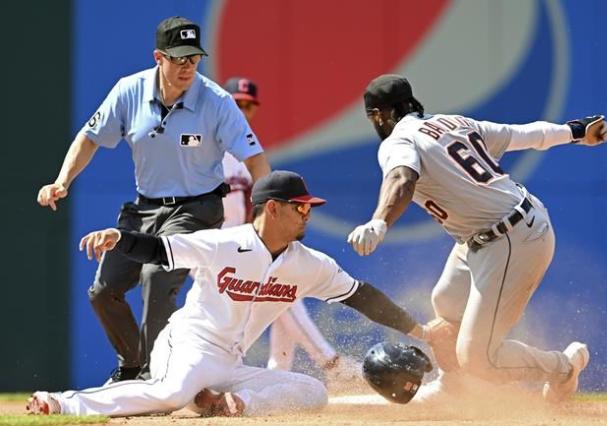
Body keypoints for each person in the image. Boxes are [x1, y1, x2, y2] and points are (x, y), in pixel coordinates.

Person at [27, 170, 431, 417]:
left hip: (230, 364)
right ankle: (62, 402)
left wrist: (422, 334)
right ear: (272, 208)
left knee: (313, 391)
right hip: (188, 346)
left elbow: (362, 296)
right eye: (300, 207)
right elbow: (162, 249)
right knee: (170, 393)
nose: (308, 213)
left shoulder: (309, 263)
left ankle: (231, 405)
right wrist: (120, 238)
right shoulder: (224, 244)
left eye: (309, 207)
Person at [347, 74, 607, 403]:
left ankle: (564, 368)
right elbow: (526, 134)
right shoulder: (455, 122)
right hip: (496, 232)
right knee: (446, 302)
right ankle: (455, 386)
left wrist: (379, 221)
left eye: (375, 117)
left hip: (512, 238)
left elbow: (402, 177)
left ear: (380, 115)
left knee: (479, 359)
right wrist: (575, 132)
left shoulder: (397, 141)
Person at [36, 16, 271, 383]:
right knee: (103, 291)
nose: (187, 67)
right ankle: (133, 366)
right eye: (178, 58)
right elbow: (90, 136)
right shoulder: (129, 91)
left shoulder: (217, 101)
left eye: (193, 58)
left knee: (156, 277)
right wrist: (61, 181)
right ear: (158, 57)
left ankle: (156, 378)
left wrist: (268, 214)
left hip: (198, 209)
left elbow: (256, 161)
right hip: (144, 209)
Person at [222, 77, 361, 384]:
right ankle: (330, 362)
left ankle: (279, 373)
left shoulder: (250, 156)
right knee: (281, 293)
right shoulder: (208, 150)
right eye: (236, 104)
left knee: (282, 294)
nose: (243, 111)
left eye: (248, 105)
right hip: (217, 248)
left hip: (245, 246)